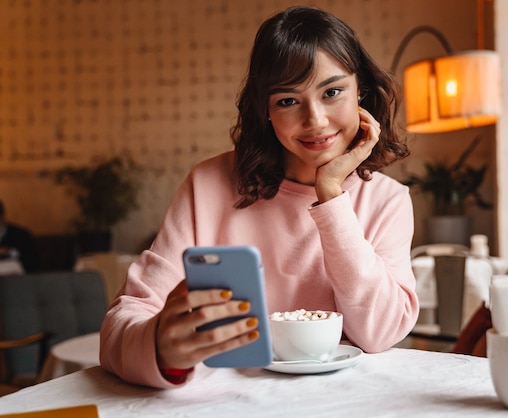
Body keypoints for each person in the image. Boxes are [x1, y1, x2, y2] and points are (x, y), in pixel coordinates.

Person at [100, 5, 419, 388]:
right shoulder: (209, 184)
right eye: (287, 100)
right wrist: (159, 347)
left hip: (342, 402)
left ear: (360, 91)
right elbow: (124, 321)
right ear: (265, 110)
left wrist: (331, 195)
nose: (315, 119)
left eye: (332, 92)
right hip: (224, 403)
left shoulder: (387, 200)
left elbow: (380, 333)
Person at [0, 200, 40, 272]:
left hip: (16, 279)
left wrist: (8, 252)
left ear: (2, 217)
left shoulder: (20, 235)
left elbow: (32, 262)